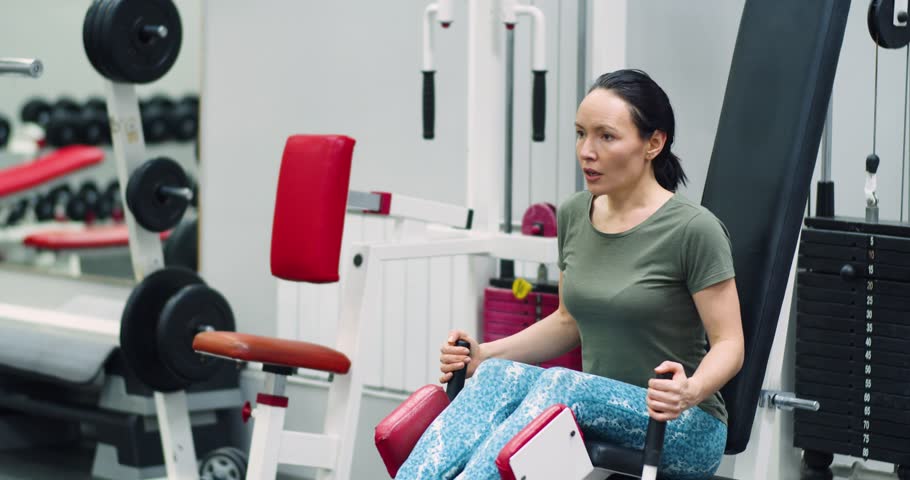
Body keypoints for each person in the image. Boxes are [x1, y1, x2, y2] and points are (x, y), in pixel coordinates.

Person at [395, 69, 744, 480]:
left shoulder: (693, 229)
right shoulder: (576, 213)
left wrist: (690, 391)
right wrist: (483, 355)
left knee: (563, 383)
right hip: (587, 406)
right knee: (496, 375)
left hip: (679, 424)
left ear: (654, 143)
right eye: (581, 134)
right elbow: (568, 321)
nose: (586, 151)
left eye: (606, 136)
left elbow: (730, 343)